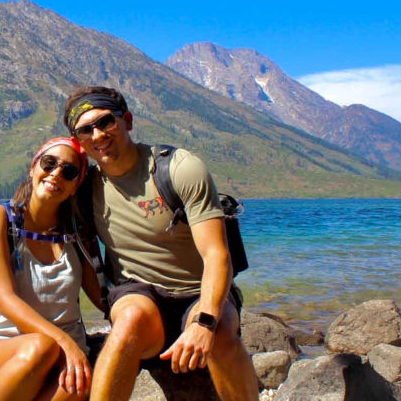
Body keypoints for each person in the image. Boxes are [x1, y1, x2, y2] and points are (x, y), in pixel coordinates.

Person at [63, 86, 259, 401]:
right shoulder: (85, 190)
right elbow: (72, 248)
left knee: (221, 334)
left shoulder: (178, 168)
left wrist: (205, 322)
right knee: (127, 323)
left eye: (106, 122)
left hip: (199, 293)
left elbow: (217, 255)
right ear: (79, 141)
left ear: (126, 120)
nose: (98, 135)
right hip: (139, 294)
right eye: (85, 131)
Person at [0, 137, 104, 401]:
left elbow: (104, 298)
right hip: (0, 352)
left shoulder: (78, 234)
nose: (56, 174)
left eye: (69, 171)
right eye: (49, 163)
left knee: (79, 382)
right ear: (33, 167)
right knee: (41, 347)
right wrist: (65, 343)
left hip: (66, 359)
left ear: (75, 186)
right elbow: (6, 301)